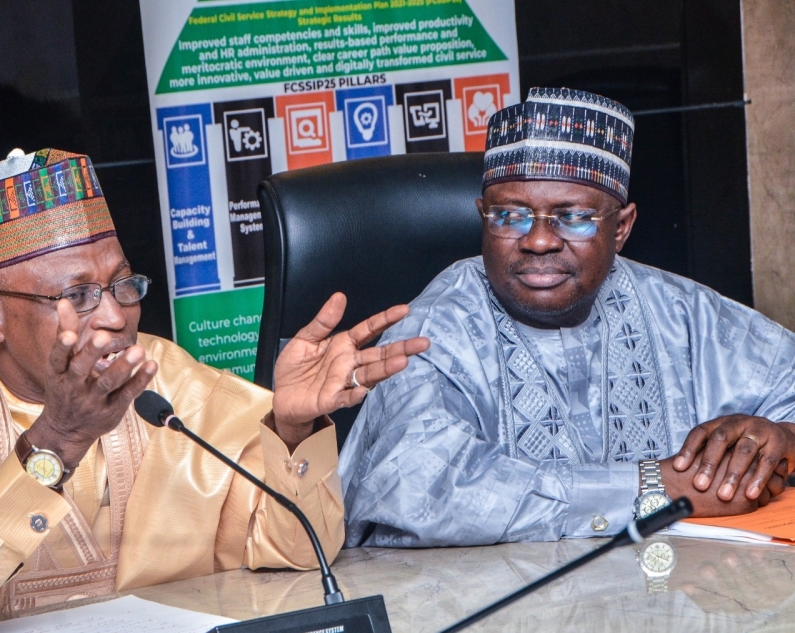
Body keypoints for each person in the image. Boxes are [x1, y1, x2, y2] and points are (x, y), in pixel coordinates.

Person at [0, 148, 428, 633]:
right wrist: (56, 443)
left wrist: (293, 431)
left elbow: (294, 552)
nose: (116, 318)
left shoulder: (164, 380)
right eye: (78, 296)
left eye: (123, 284)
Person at [340, 88, 795, 548]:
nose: (538, 241)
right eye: (510, 215)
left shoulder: (681, 311)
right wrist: (657, 488)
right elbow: (418, 490)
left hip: (664, 601)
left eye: (573, 217)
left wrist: (780, 439)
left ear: (621, 228)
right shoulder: (434, 328)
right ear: (483, 217)